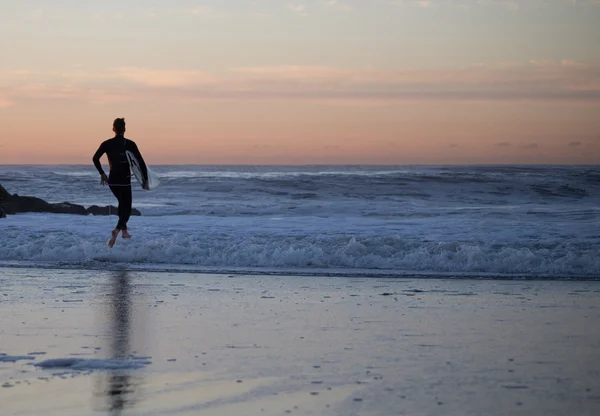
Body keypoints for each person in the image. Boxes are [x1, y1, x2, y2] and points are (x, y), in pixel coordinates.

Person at [93, 118, 148, 248]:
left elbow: (95, 158)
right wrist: (145, 180)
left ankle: (124, 231)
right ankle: (117, 230)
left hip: (112, 181)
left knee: (121, 205)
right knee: (126, 209)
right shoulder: (130, 144)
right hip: (125, 181)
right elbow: (140, 162)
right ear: (125, 129)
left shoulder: (106, 143)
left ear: (113, 129)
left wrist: (102, 173)